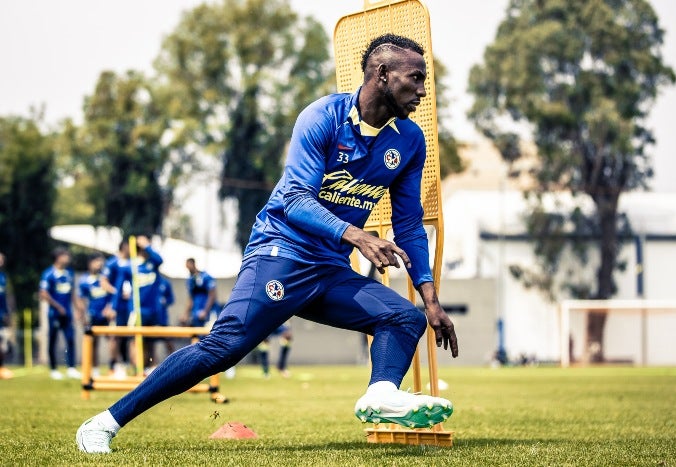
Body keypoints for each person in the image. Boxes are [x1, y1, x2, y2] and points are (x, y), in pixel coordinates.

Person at [76, 34, 459, 454]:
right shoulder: (323, 117)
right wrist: (355, 235)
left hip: (329, 270)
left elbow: (408, 224)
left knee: (405, 319)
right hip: (281, 253)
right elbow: (294, 200)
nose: (423, 90)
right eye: (416, 78)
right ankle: (102, 423)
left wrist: (430, 297)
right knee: (223, 348)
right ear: (382, 74)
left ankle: (380, 394)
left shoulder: (408, 140)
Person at [112, 236, 164, 372]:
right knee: (135, 339)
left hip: (153, 309)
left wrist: (147, 246)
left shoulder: (153, 264)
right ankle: (137, 367)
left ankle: (150, 367)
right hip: (136, 310)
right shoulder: (129, 266)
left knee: (151, 341)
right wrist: (113, 307)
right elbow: (118, 289)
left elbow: (160, 260)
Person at [40, 248, 85, 380]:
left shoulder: (69, 273)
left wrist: (78, 309)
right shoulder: (48, 274)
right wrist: (58, 306)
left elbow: (72, 294)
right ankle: (53, 369)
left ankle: (71, 367)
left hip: (68, 314)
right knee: (53, 340)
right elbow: (43, 293)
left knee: (70, 339)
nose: (68, 258)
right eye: (65, 255)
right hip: (54, 314)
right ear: (58, 257)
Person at [100, 241, 131, 377]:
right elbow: (103, 282)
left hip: (129, 307)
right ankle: (113, 365)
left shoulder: (133, 263)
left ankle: (127, 364)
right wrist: (117, 292)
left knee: (128, 337)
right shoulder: (112, 263)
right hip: (116, 306)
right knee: (114, 336)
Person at [78, 253, 112, 378]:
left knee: (114, 340)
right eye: (97, 262)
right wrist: (82, 315)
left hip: (108, 316)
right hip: (93, 315)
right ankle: (94, 369)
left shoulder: (105, 278)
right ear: (90, 263)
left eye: (101, 262)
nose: (99, 265)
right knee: (93, 343)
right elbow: (81, 298)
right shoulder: (84, 280)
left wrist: (109, 308)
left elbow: (113, 295)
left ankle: (114, 367)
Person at [182, 258, 218, 327]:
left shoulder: (205, 277)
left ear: (193, 264)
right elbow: (190, 298)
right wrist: (186, 314)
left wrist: (205, 311)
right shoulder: (190, 280)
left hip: (208, 313)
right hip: (196, 314)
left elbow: (212, 295)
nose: (188, 270)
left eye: (189, 267)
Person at [0, 252, 14, 379]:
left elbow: (7, 296)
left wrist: (8, 313)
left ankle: (2, 368)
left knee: (3, 343)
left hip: (2, 315)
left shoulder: (3, 277)